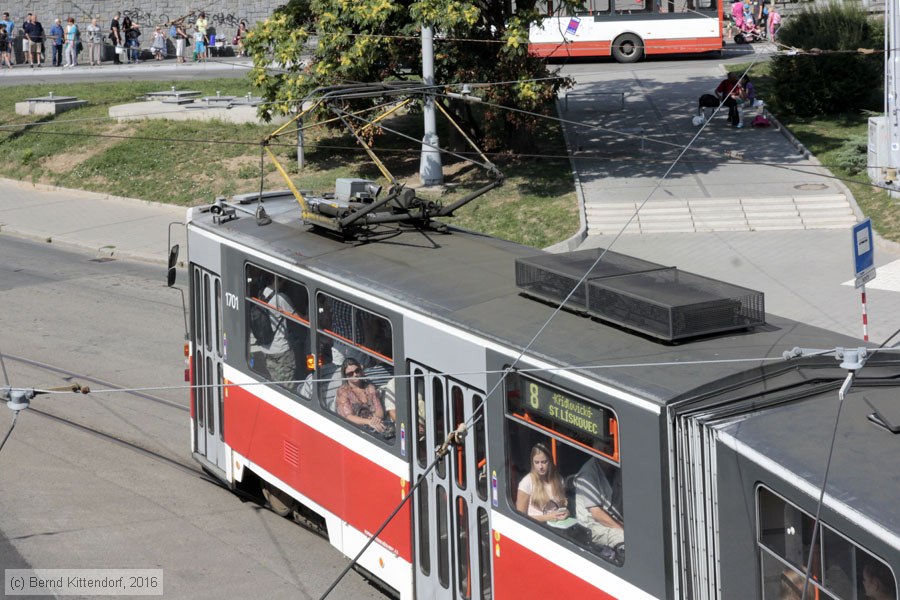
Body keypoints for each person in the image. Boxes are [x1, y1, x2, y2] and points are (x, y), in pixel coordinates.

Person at [574, 458, 624, 549]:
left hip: (613, 519)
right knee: (626, 538)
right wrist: (621, 528)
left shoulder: (616, 467)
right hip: (592, 527)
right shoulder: (588, 474)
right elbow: (597, 514)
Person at [516, 442, 569, 523]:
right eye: (536, 462)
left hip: (558, 527)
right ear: (532, 462)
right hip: (537, 528)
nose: (540, 467)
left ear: (550, 461)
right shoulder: (526, 483)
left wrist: (566, 512)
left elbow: (563, 506)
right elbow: (521, 518)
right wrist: (548, 517)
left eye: (544, 462)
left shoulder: (558, 479)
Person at [334, 358, 388, 434]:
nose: (355, 374)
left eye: (357, 371)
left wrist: (376, 420)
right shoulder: (343, 391)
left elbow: (379, 409)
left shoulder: (370, 387)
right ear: (346, 376)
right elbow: (348, 417)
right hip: (354, 430)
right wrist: (369, 422)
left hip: (374, 425)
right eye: (350, 373)